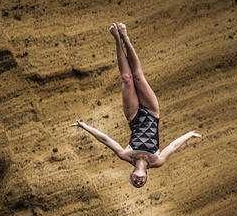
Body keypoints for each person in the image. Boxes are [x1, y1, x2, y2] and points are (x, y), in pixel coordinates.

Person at [70, 23, 201, 188]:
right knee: (138, 77)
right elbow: (173, 146)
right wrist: (188, 135)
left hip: (133, 115)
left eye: (135, 182)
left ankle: (117, 39)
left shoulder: (126, 155)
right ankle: (126, 38)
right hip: (152, 113)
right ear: (146, 177)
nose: (138, 181)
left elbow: (105, 139)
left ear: (132, 175)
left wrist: (85, 126)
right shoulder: (157, 161)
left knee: (127, 78)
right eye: (141, 183)